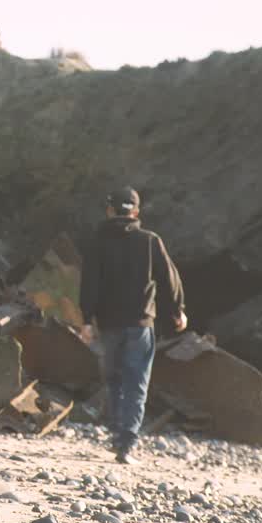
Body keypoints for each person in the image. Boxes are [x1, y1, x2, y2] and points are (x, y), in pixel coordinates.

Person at [78, 186, 187, 464]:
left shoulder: (97, 243)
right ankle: (126, 443)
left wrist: (86, 320)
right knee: (137, 381)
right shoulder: (150, 241)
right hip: (140, 325)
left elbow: (89, 284)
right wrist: (177, 311)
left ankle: (117, 434)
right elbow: (170, 279)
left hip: (109, 324)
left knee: (114, 380)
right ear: (136, 212)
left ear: (109, 210)